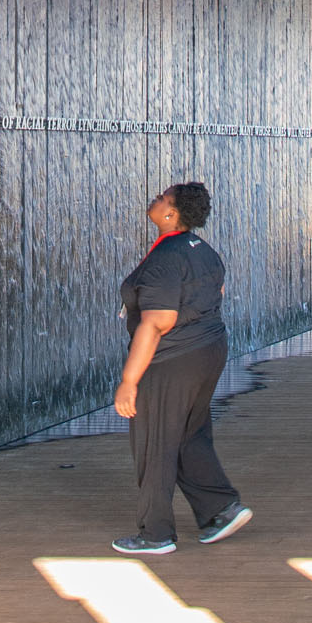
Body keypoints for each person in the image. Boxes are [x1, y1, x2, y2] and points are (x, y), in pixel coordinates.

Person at [111, 180, 251, 556]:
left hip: (172, 360)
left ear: (171, 213)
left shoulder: (165, 259)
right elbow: (216, 294)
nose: (154, 200)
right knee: (189, 435)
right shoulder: (204, 251)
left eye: (161, 198)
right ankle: (220, 509)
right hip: (209, 350)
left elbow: (156, 322)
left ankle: (155, 533)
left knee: (155, 441)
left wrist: (129, 381)